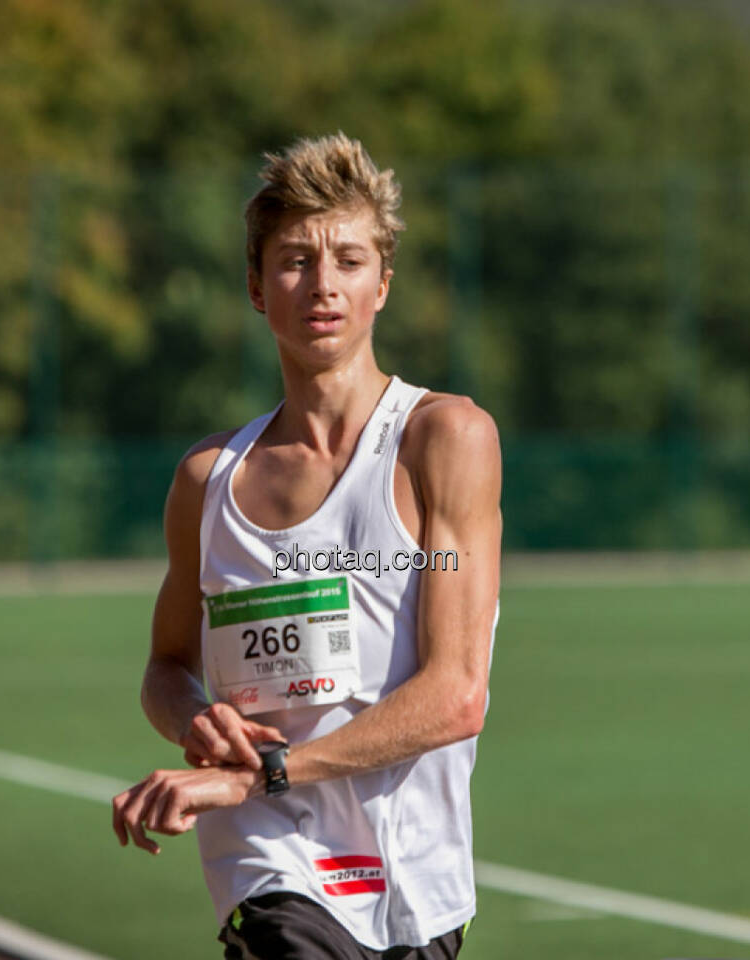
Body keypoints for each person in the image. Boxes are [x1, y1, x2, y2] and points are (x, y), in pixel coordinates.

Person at [111, 132, 502, 960]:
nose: (322, 284)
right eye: (294, 260)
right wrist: (198, 722)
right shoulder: (209, 480)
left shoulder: (444, 440)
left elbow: (457, 695)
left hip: (413, 876)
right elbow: (165, 668)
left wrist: (263, 770)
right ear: (256, 287)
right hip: (271, 860)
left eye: (349, 260)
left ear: (383, 285)